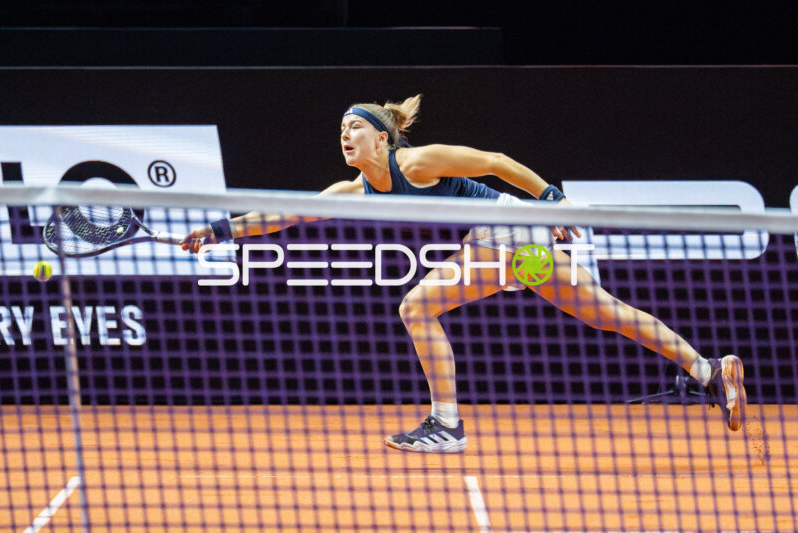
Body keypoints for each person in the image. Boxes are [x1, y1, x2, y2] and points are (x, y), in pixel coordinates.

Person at [182, 95, 746, 453]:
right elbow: (283, 215)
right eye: (341, 130)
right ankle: (708, 371)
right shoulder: (354, 190)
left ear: (383, 136)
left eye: (354, 127)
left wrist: (551, 199)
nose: (345, 135)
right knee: (605, 314)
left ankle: (447, 424)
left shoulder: (416, 162)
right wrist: (218, 231)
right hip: (517, 245)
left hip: (509, 231)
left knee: (416, 306)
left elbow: (495, 163)